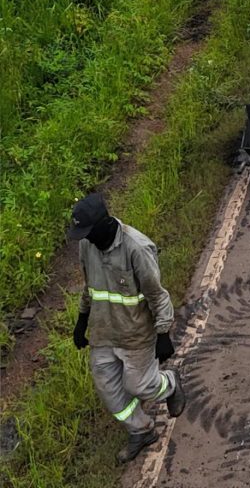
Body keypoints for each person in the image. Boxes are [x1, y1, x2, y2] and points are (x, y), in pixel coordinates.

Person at [69, 193, 185, 464]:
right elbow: (90, 288)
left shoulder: (137, 248)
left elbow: (157, 295)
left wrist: (163, 333)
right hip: (104, 332)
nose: (85, 238)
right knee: (108, 388)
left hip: (136, 334)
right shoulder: (87, 245)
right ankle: (141, 430)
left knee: (140, 385)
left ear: (104, 224)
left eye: (88, 232)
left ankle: (170, 383)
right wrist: (81, 320)